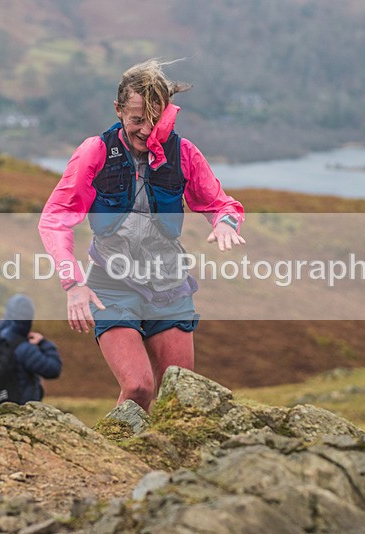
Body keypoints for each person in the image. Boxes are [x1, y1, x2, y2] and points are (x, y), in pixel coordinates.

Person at [38, 59, 245, 411]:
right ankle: (113, 459)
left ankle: (165, 465)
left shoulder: (184, 153)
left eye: (155, 120)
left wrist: (225, 222)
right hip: (111, 286)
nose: (147, 131)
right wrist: (73, 285)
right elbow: (56, 217)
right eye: (137, 120)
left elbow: (220, 203)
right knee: (138, 388)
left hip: (169, 285)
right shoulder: (96, 151)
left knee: (179, 399)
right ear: (118, 110)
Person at [0, 293, 62, 405]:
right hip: (19, 405)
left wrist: (9, 318)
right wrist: (44, 343)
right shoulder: (25, 349)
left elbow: (3, 324)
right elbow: (54, 369)